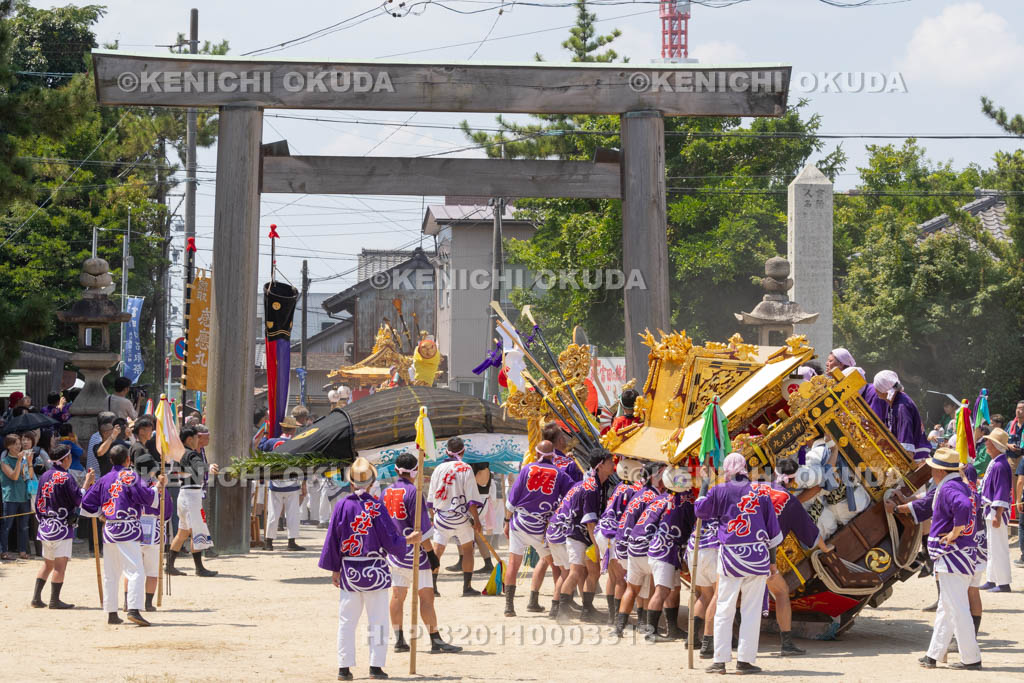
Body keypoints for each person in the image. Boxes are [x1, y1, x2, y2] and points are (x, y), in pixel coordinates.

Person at [320, 456, 418, 681]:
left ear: (351, 483)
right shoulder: (376, 507)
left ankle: (344, 668)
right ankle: (376, 667)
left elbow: (333, 539)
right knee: (378, 621)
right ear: (372, 482)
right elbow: (390, 540)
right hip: (375, 570)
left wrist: (335, 569)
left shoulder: (342, 506)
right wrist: (409, 540)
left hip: (350, 571)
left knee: (347, 621)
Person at [889, 447, 981, 669]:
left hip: (953, 556)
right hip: (962, 554)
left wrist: (955, 532)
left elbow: (963, 506)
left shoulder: (949, 487)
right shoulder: (960, 485)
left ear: (938, 470)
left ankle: (971, 658)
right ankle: (933, 655)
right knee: (947, 607)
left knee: (956, 608)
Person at [696, 453, 783, 675]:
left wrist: (705, 484)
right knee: (751, 610)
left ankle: (719, 660)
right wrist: (772, 564)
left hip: (730, 558)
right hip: (757, 556)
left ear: (727, 469)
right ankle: (744, 661)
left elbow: (700, 511)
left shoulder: (719, 490)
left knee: (724, 607)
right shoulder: (761, 492)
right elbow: (772, 533)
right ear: (745, 468)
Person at [382, 452, 460, 654]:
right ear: (415, 470)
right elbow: (422, 531)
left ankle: (399, 639)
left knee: (398, 595)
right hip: (415, 554)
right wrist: (432, 554)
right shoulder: (414, 493)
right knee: (426, 597)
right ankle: (435, 639)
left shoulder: (386, 492)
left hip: (395, 552)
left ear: (396, 469)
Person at [80, 444, 164, 626]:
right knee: (135, 570)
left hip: (110, 528)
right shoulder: (130, 476)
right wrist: (158, 487)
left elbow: (86, 504)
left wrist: (101, 514)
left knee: (111, 573)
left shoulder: (105, 479)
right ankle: (133, 609)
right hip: (128, 528)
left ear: (111, 460)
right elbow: (147, 496)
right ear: (128, 460)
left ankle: (111, 613)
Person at [765, 458, 835, 655]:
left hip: (736, 551)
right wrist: (826, 548)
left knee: (729, 595)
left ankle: (709, 642)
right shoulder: (790, 501)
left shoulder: (757, 488)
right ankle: (786, 644)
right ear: (794, 481)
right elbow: (812, 533)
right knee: (781, 593)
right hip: (763, 557)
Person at [502, 440, 574, 617]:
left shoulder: (527, 469)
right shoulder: (559, 474)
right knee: (555, 566)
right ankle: (556, 607)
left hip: (519, 523)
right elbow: (572, 494)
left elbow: (512, 500)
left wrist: (506, 521)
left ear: (536, 454)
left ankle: (509, 607)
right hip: (541, 528)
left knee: (513, 563)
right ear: (553, 455)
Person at [547, 446, 615, 624]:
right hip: (577, 534)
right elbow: (590, 522)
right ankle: (562, 612)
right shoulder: (591, 488)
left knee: (594, 572)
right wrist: (598, 548)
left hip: (586, 534)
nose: (613, 464)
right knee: (575, 572)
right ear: (600, 465)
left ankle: (587, 610)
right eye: (610, 462)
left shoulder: (603, 483)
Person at [32, 444, 95, 609]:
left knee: (47, 563)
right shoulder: (66, 478)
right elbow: (78, 500)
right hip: (61, 527)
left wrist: (42, 520)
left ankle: (36, 598)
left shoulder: (45, 475)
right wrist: (87, 483)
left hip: (45, 526)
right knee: (60, 565)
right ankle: (54, 600)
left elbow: (38, 502)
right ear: (66, 459)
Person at [426, 436, 485, 597]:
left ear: (447, 451)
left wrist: (433, 518)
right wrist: (477, 520)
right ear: (463, 451)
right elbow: (471, 498)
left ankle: (433, 587)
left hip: (441, 516)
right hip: (461, 518)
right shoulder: (465, 468)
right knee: (467, 550)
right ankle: (467, 587)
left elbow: (431, 499)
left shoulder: (438, 469)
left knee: (437, 551)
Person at [643, 466, 695, 642]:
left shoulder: (667, 498)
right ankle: (651, 632)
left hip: (665, 550)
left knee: (674, 589)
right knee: (662, 590)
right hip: (665, 551)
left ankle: (672, 628)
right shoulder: (685, 500)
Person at [610, 462, 662, 632]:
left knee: (634, 587)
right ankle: (646, 623)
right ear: (655, 476)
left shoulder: (640, 493)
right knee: (650, 585)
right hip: (637, 546)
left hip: (625, 545)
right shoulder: (653, 497)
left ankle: (620, 626)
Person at [165, 426, 219, 577]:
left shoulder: (181, 453)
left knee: (183, 532)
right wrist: (208, 466)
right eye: (196, 438)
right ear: (190, 439)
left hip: (185, 495)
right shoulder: (191, 454)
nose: (198, 441)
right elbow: (199, 466)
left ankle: (170, 565)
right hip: (191, 496)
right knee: (196, 531)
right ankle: (199, 568)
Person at [595, 458, 642, 623]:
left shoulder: (620, 486)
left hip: (603, 531)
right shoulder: (632, 490)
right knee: (621, 577)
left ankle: (611, 616)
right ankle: (616, 618)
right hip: (612, 534)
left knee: (613, 577)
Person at [134, 451, 174, 612]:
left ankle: (126, 601)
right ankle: (148, 603)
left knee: (132, 569)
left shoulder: (130, 484)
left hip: (133, 530)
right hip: (154, 530)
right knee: (151, 570)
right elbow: (167, 513)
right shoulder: (158, 488)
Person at [264, 416, 307, 552]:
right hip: (292, 483)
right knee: (293, 513)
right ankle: (291, 541)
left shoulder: (272, 442)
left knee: (273, 513)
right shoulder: (298, 443)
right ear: (293, 430)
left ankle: (269, 542)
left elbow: (261, 447)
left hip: (275, 482)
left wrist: (265, 433)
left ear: (282, 428)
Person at [979, 428, 1012, 592]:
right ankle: (992, 579)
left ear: (995, 445)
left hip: (995, 510)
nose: (986, 443)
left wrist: (998, 514)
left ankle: (1004, 583)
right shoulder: (996, 462)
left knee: (998, 546)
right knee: (992, 545)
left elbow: (1001, 491)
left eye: (989, 441)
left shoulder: (1000, 465)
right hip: (991, 510)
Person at [873, 370, 930, 460]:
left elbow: (906, 447)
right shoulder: (895, 402)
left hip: (917, 458)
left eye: (876, 387)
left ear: (883, 391)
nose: (874, 390)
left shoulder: (901, 407)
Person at [1, 434, 35, 560]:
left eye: (19, 443)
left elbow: (29, 476)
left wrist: (29, 462)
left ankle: (22, 551)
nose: (18, 446)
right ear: (8, 446)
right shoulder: (4, 461)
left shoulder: (24, 460)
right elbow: (14, 477)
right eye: (15, 444)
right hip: (10, 497)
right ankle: (3, 551)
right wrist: (20, 461)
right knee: (7, 525)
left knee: (24, 526)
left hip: (23, 496)